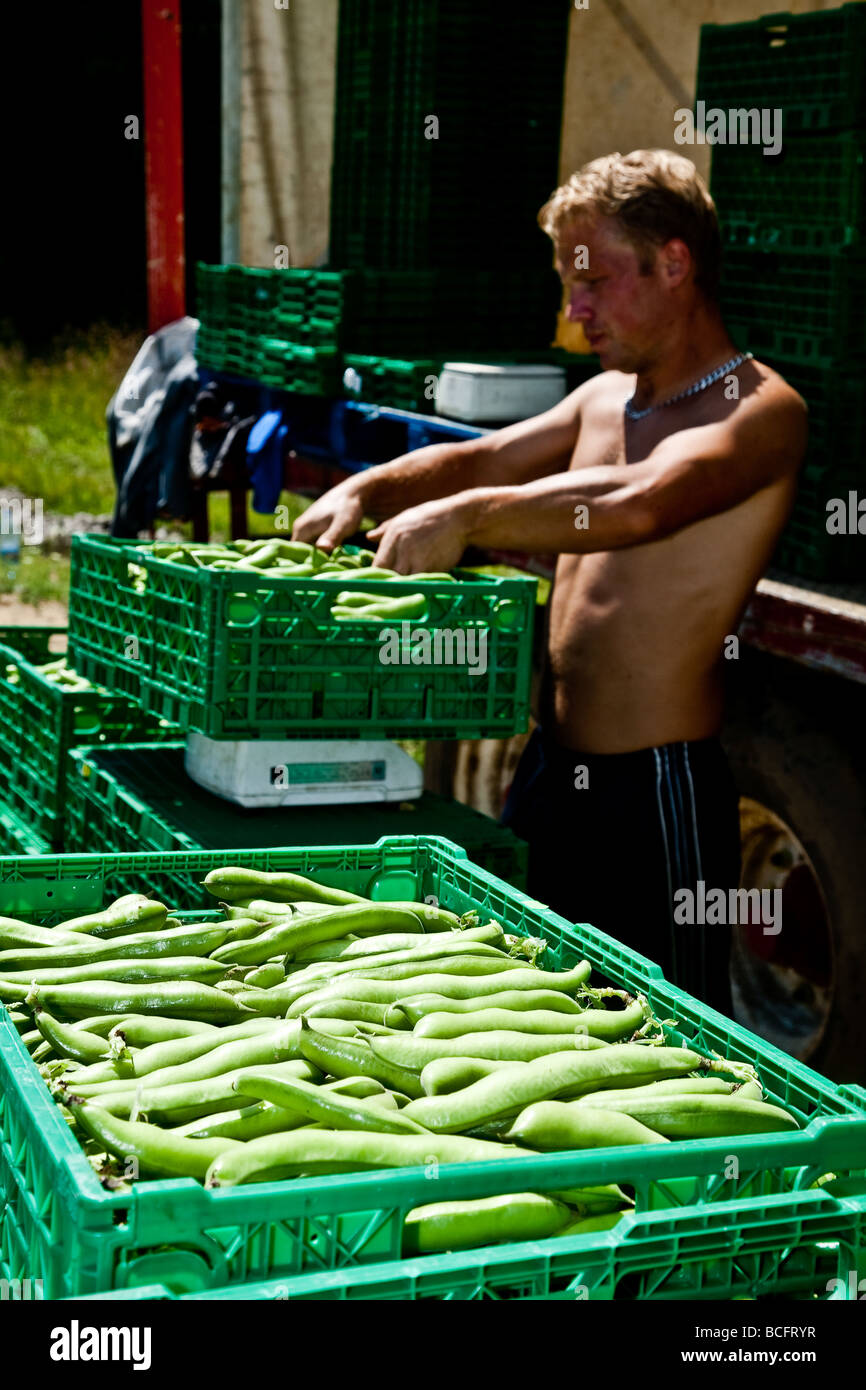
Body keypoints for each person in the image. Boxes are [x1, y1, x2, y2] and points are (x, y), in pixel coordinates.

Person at [294, 150, 807, 1015]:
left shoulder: (760, 411)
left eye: (595, 281)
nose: (575, 312)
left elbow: (644, 501)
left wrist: (467, 518)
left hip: (658, 794)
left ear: (674, 262)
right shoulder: (605, 397)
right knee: (523, 1002)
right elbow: (484, 454)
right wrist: (367, 487)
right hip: (548, 772)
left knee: (668, 1037)